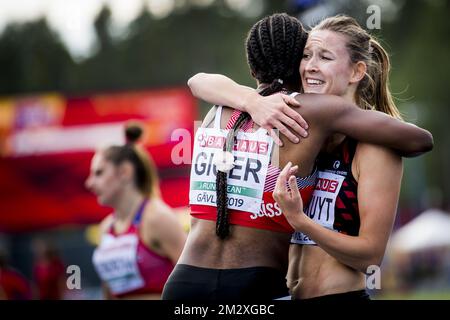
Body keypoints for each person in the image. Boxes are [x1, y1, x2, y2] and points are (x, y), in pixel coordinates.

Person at [162, 13, 433, 301]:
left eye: (324, 57)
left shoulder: (216, 110)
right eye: (307, 56)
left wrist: (251, 100)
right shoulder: (311, 111)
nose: (312, 66)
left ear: (252, 67)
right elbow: (421, 140)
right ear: (296, 63)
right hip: (255, 284)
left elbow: (197, 80)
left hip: (183, 283)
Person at [86, 122, 187, 299]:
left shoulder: (158, 218)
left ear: (125, 171)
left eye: (99, 173)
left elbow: (195, 285)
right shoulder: (106, 228)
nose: (90, 183)